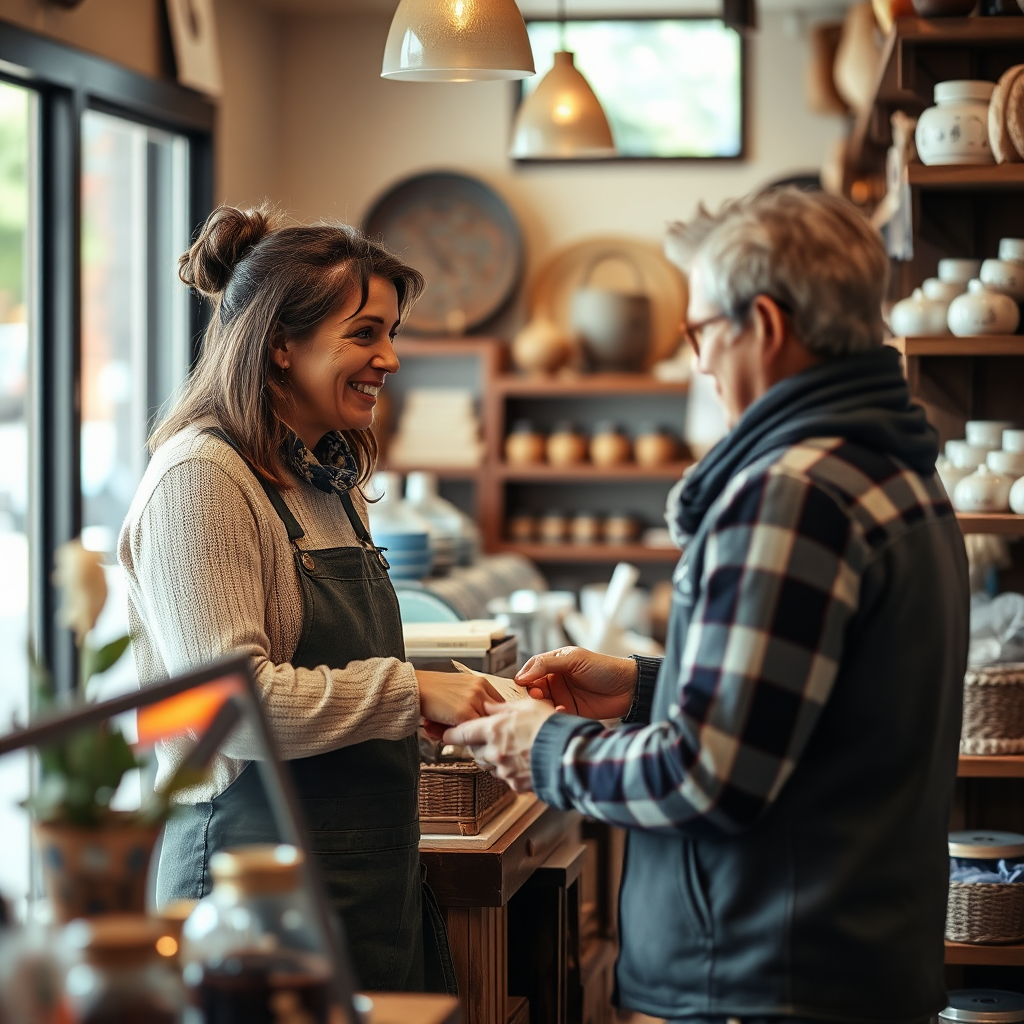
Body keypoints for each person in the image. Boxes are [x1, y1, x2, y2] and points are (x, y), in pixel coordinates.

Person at [447, 188, 969, 1023]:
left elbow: (704, 778)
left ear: (763, 324)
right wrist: (647, 687)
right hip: (848, 962)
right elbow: (825, 708)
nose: (697, 363)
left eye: (699, 332)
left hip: (767, 979)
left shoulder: (790, 495)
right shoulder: (890, 467)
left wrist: (541, 747)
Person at [119, 204, 500, 993]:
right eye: (365, 334)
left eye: (391, 332)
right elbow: (229, 709)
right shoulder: (202, 480)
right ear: (281, 344)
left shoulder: (329, 479)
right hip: (247, 898)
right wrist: (411, 690)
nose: (390, 358)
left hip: (368, 883)